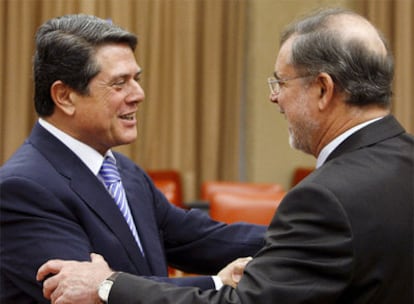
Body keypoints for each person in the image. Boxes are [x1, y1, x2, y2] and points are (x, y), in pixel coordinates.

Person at [37, 7, 414, 304]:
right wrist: (291, 244)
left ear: (322, 90)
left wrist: (108, 286)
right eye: (120, 82)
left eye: (280, 83)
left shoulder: (326, 199)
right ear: (64, 96)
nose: (274, 97)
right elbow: (197, 239)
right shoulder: (402, 160)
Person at [0, 14, 267, 304]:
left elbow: (198, 239)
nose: (138, 94)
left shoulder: (124, 172)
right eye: (119, 83)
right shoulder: (21, 189)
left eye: (136, 79)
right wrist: (217, 283)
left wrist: (302, 239)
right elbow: (85, 296)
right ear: (64, 96)